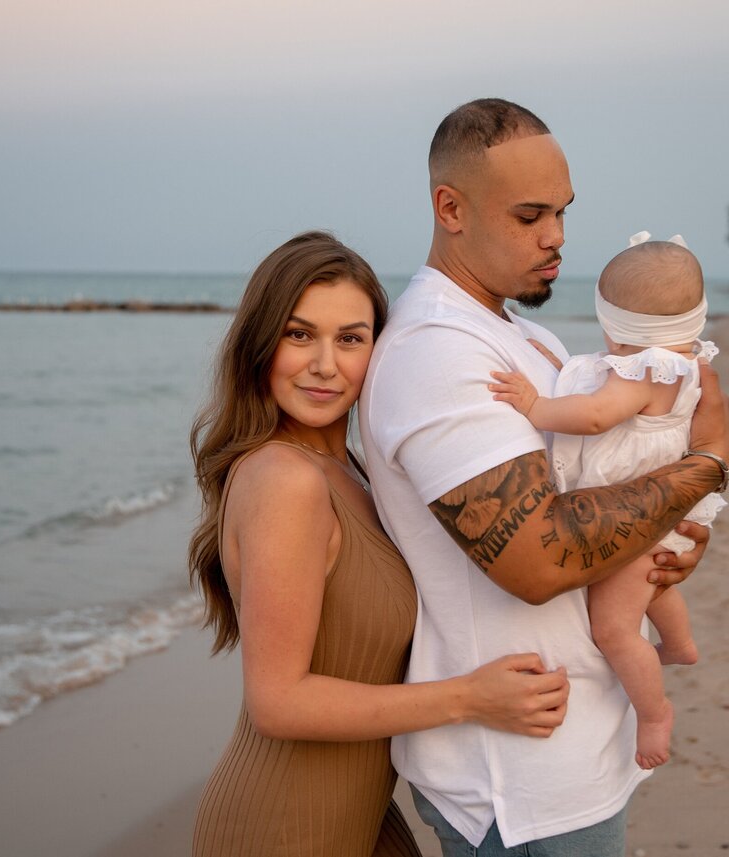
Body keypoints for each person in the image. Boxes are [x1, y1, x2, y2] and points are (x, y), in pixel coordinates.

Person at [359, 98, 729, 856]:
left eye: (561, 212)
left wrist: (669, 545)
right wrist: (708, 466)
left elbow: (611, 490)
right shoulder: (438, 352)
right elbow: (537, 559)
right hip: (521, 782)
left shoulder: (524, 336)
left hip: (571, 754)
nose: (556, 237)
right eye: (530, 215)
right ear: (450, 207)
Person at [188, 231, 571, 857]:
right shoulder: (285, 479)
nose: (324, 365)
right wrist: (470, 699)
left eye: (350, 339)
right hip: (280, 829)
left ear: (378, 351)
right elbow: (277, 702)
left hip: (360, 819)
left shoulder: (353, 474)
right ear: (260, 345)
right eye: (298, 334)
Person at [488, 233, 727, 771]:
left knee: (615, 630)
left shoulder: (642, 373)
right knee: (649, 577)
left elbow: (595, 416)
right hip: (660, 508)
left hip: (629, 506)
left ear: (619, 328)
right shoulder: (689, 368)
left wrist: (534, 406)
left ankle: (654, 711)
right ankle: (679, 642)